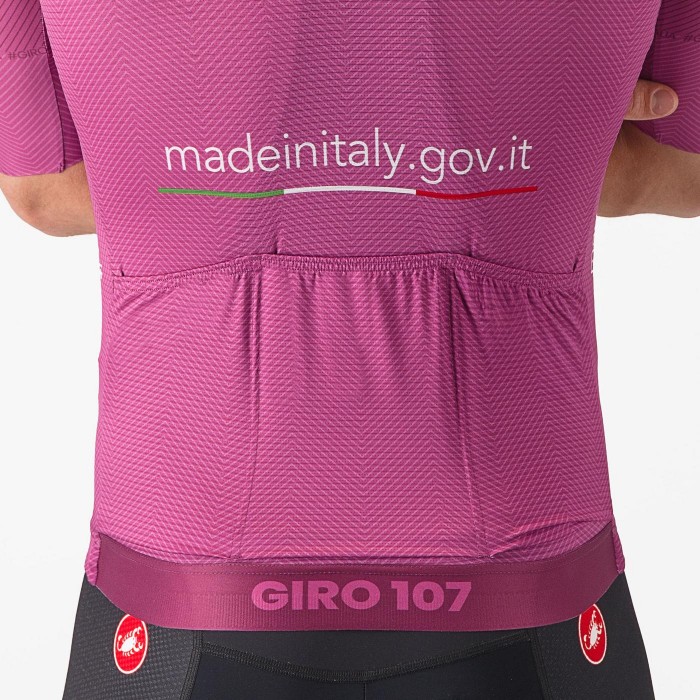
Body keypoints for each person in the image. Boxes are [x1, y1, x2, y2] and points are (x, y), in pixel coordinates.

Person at [1, 2, 698, 698]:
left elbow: (42, 184)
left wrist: (228, 167)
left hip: (182, 571)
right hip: (526, 573)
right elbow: (683, 165)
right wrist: (535, 142)